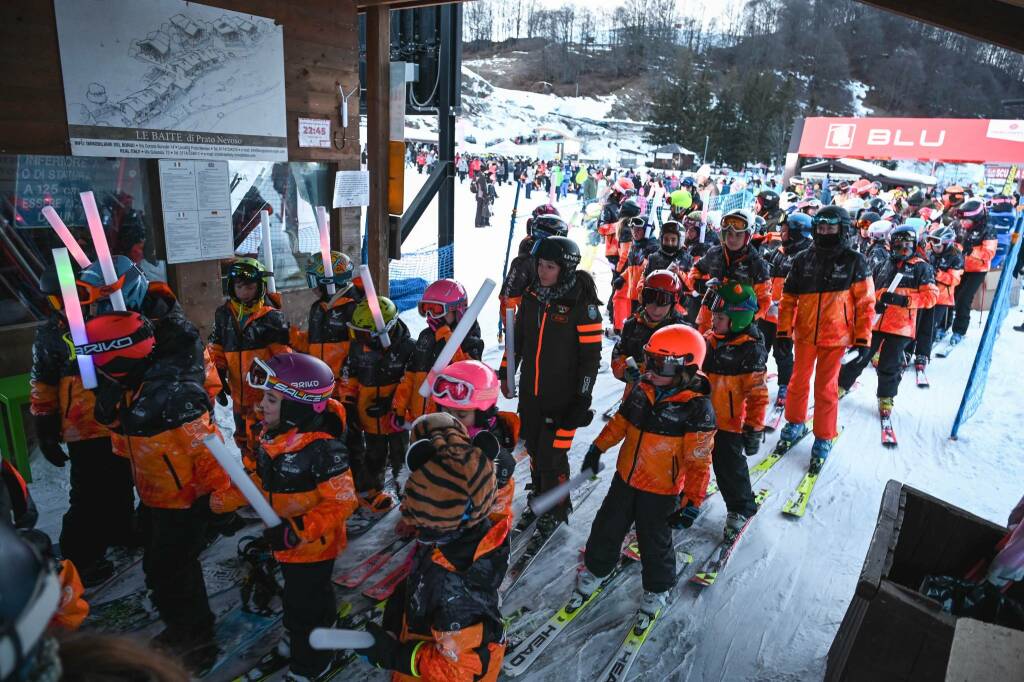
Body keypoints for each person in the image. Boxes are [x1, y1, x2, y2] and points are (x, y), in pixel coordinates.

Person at [86, 311, 231, 671]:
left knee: (175, 571)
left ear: (118, 360)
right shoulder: (133, 387)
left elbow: (212, 455)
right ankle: (179, 624)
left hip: (184, 501)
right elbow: (131, 443)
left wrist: (218, 501)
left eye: (100, 363)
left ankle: (197, 640)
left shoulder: (173, 398)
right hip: (156, 494)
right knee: (159, 566)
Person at [212, 353, 358, 681]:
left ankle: (312, 663)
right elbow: (260, 482)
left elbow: (343, 501)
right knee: (298, 598)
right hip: (287, 541)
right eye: (264, 397)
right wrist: (227, 500)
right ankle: (302, 639)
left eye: (272, 399)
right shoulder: (273, 439)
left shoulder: (323, 450)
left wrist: (298, 530)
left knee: (305, 602)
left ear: (299, 407)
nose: (262, 406)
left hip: (314, 546)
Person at [575, 324, 715, 622]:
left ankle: (658, 588)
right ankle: (597, 568)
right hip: (625, 478)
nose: (649, 369)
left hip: (661, 490)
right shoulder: (643, 390)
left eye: (658, 363)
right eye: (648, 360)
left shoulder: (696, 409)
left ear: (686, 368)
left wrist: (692, 501)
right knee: (606, 526)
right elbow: (621, 423)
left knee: (655, 541)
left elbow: (699, 461)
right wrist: (598, 447)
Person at [355, 413, 508, 681]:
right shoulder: (455, 537)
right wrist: (395, 619)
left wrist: (394, 655)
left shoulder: (457, 588)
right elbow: (422, 584)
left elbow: (457, 669)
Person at [30, 264, 135, 586]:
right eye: (56, 301)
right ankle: (82, 556)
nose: (64, 306)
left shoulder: (109, 320)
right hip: (83, 426)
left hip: (119, 420)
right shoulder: (51, 335)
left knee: (120, 481)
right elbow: (43, 383)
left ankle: (121, 529)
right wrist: (45, 428)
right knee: (89, 494)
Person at [499, 236, 601, 529]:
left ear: (565, 269)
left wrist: (581, 399)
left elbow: (590, 358)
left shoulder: (582, 306)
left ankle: (556, 508)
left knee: (552, 456)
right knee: (533, 446)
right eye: (540, 265)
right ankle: (541, 494)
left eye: (550, 267)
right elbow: (516, 341)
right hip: (531, 393)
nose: (543, 272)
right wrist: (508, 372)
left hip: (563, 398)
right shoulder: (532, 298)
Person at [777, 206, 875, 463]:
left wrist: (863, 339)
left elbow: (866, 303)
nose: (825, 232)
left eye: (830, 228)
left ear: (841, 229)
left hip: (836, 336)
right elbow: (788, 299)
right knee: (797, 381)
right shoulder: (803, 259)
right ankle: (795, 421)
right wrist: (783, 332)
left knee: (826, 387)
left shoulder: (855, 260)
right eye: (821, 228)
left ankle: (824, 435)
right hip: (806, 333)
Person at [838, 223, 937, 417]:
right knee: (860, 355)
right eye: (899, 246)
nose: (903, 250)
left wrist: (904, 300)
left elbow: (931, 296)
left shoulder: (921, 268)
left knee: (889, 364)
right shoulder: (885, 263)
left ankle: (886, 397)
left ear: (914, 245)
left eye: (907, 246)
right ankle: (842, 385)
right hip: (876, 322)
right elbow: (872, 289)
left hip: (901, 327)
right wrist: (875, 302)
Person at [338, 297, 416, 512]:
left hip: (397, 419)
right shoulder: (357, 349)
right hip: (370, 419)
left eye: (364, 334)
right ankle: (371, 493)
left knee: (402, 456)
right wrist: (349, 404)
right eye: (356, 334)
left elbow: (412, 384)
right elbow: (348, 377)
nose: (360, 339)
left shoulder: (409, 348)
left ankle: (408, 496)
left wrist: (392, 405)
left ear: (386, 330)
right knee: (373, 455)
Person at [702, 283, 769, 533]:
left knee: (729, 467)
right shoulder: (709, 340)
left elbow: (758, 394)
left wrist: (753, 427)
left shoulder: (750, 350)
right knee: (689, 461)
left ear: (738, 319)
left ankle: (741, 508)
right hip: (699, 419)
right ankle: (682, 497)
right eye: (713, 315)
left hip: (729, 424)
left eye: (720, 317)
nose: (713, 321)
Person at [208, 257, 291, 457]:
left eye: (250, 287)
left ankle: (260, 475)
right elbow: (216, 347)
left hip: (263, 396)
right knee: (242, 437)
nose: (244, 292)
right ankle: (247, 469)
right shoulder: (223, 314)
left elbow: (284, 356)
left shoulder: (271, 317)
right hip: (238, 393)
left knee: (262, 438)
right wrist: (218, 374)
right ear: (231, 287)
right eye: (239, 287)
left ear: (260, 287)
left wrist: (282, 388)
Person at [425, 361, 518, 525]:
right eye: (445, 411)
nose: (452, 419)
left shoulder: (487, 442)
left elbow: (505, 466)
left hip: (484, 504)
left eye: (461, 414)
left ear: (483, 412)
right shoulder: (446, 430)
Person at [393, 279, 484, 424]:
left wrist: (446, 336)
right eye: (426, 309)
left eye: (436, 309)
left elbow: (469, 375)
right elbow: (410, 374)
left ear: (458, 310)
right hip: (420, 420)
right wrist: (399, 407)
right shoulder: (426, 336)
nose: (430, 315)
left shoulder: (469, 339)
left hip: (448, 423)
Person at [688, 208, 771, 334]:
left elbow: (764, 300)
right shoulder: (714, 253)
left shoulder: (757, 264)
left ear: (748, 236)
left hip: (737, 326)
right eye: (729, 234)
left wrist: (747, 317)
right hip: (707, 319)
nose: (732, 239)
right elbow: (695, 270)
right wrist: (699, 285)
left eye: (738, 235)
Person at [762, 212, 813, 407]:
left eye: (785, 230)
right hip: (767, 312)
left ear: (797, 233)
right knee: (759, 349)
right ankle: (757, 378)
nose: (780, 233)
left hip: (787, 316)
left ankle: (785, 384)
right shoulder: (778, 251)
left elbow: (808, 290)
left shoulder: (806, 256)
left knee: (782, 352)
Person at [611, 270, 688, 397]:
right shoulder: (632, 325)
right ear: (643, 298)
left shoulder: (682, 332)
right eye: (650, 297)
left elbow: (691, 374)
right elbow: (618, 355)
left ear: (673, 302)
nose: (656, 308)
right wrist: (624, 371)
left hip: (668, 403)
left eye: (663, 300)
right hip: (634, 397)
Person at [497, 208, 565, 326]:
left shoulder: (562, 258)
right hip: (531, 323)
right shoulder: (525, 261)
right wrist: (513, 331)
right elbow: (508, 300)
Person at [949, 199, 997, 347]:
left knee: (964, 299)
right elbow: (949, 239)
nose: (964, 223)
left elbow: (989, 253)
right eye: (962, 219)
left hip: (977, 269)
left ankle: (959, 330)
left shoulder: (988, 228)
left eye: (967, 220)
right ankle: (943, 325)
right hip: (959, 266)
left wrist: (971, 251)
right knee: (950, 295)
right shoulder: (957, 225)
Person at [928, 225, 964, 343]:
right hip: (927, 294)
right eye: (932, 245)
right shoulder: (931, 253)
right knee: (924, 322)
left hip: (942, 297)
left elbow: (954, 280)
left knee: (932, 324)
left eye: (937, 246)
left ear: (946, 244)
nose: (934, 248)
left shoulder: (955, 257)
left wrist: (937, 274)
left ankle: (935, 335)